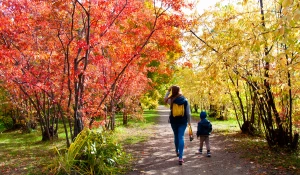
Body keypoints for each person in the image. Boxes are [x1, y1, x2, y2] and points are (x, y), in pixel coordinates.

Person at [164, 85, 191, 165]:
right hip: (183, 121)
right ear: (179, 91)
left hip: (174, 121)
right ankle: (180, 158)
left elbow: (165, 98)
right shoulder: (185, 100)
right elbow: (188, 113)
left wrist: (168, 91)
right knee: (181, 137)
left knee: (176, 136)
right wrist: (189, 122)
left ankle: (177, 151)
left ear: (173, 91)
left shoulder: (171, 100)